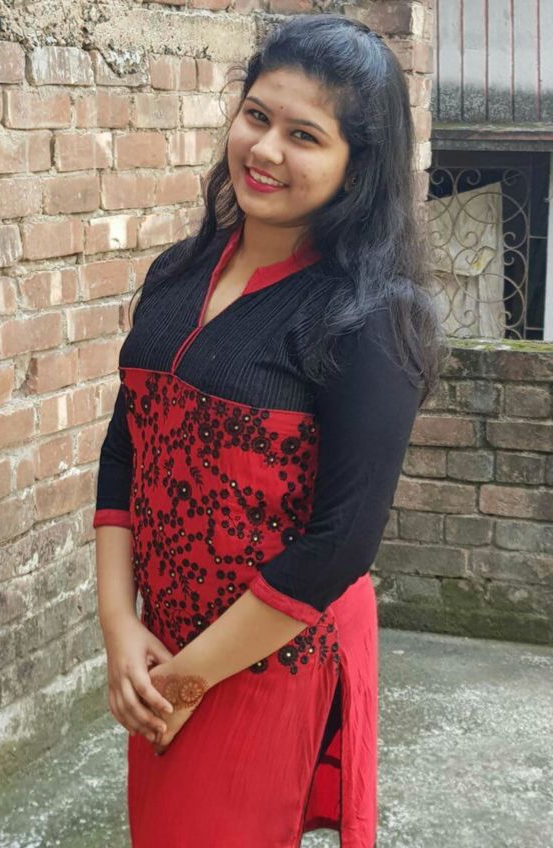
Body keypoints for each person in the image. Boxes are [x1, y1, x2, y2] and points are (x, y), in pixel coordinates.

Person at [93, 14, 445, 848]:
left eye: (304, 135)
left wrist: (184, 682)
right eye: (256, 116)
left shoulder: (370, 316)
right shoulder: (179, 272)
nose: (266, 150)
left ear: (358, 165)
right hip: (161, 640)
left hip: (268, 652)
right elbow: (127, 446)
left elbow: (340, 543)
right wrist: (118, 626)